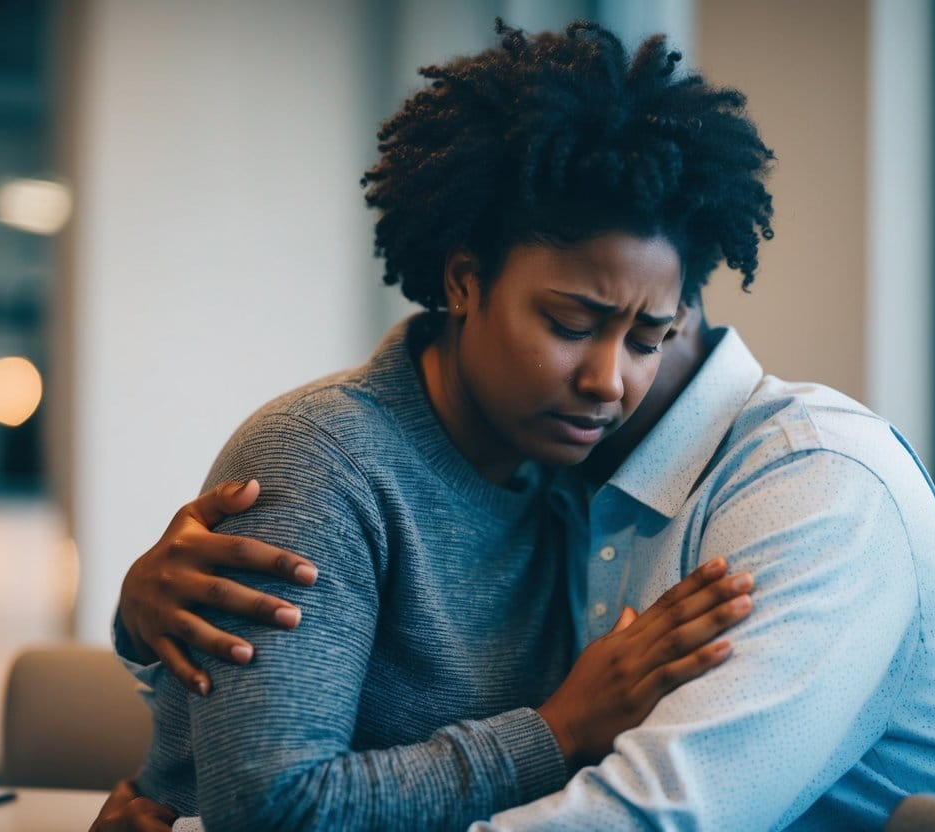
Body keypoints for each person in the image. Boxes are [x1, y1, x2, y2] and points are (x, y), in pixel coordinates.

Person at [91, 19, 777, 832]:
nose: (607, 381)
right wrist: (558, 731)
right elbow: (269, 809)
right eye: (567, 323)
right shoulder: (319, 461)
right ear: (462, 281)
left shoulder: (571, 480)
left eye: (644, 339)